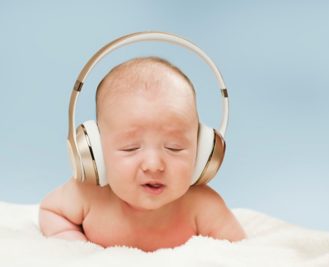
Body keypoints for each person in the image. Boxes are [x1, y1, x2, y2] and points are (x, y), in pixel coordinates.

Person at [39, 56, 246, 252]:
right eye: (131, 148)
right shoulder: (87, 195)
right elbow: (51, 212)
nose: (153, 165)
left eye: (174, 147)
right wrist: (74, 245)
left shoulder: (202, 207)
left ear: (202, 151)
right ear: (97, 151)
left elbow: (240, 252)